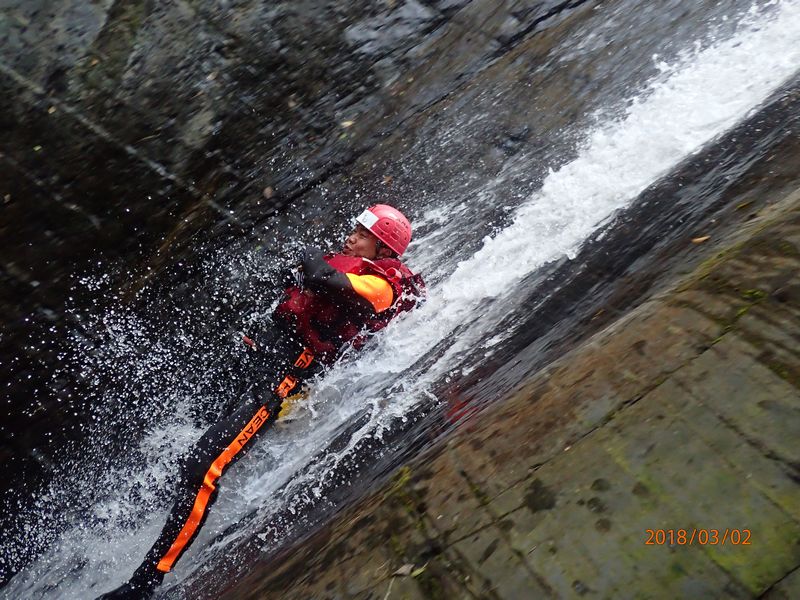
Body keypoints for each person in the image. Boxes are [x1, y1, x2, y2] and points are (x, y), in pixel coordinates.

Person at [99, 204, 425, 599]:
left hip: (278, 384)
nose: (350, 237)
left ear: (384, 250)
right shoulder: (348, 262)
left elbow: (324, 278)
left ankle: (143, 585)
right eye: (354, 230)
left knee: (203, 467)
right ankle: (140, 520)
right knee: (185, 452)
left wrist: (307, 256)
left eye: (361, 234)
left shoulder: (381, 285)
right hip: (255, 359)